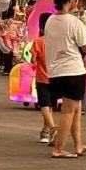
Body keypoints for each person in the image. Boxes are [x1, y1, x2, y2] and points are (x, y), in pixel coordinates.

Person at [44, 0, 86, 158]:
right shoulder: (74, 22)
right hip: (72, 71)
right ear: (69, 0)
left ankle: (78, 144)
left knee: (75, 107)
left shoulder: (50, 21)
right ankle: (59, 148)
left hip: (55, 72)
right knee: (68, 111)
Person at [31, 11, 56, 145]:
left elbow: (33, 60)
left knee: (44, 105)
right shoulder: (57, 41)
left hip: (42, 79)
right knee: (51, 105)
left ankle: (52, 129)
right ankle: (46, 130)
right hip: (56, 78)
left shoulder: (38, 42)